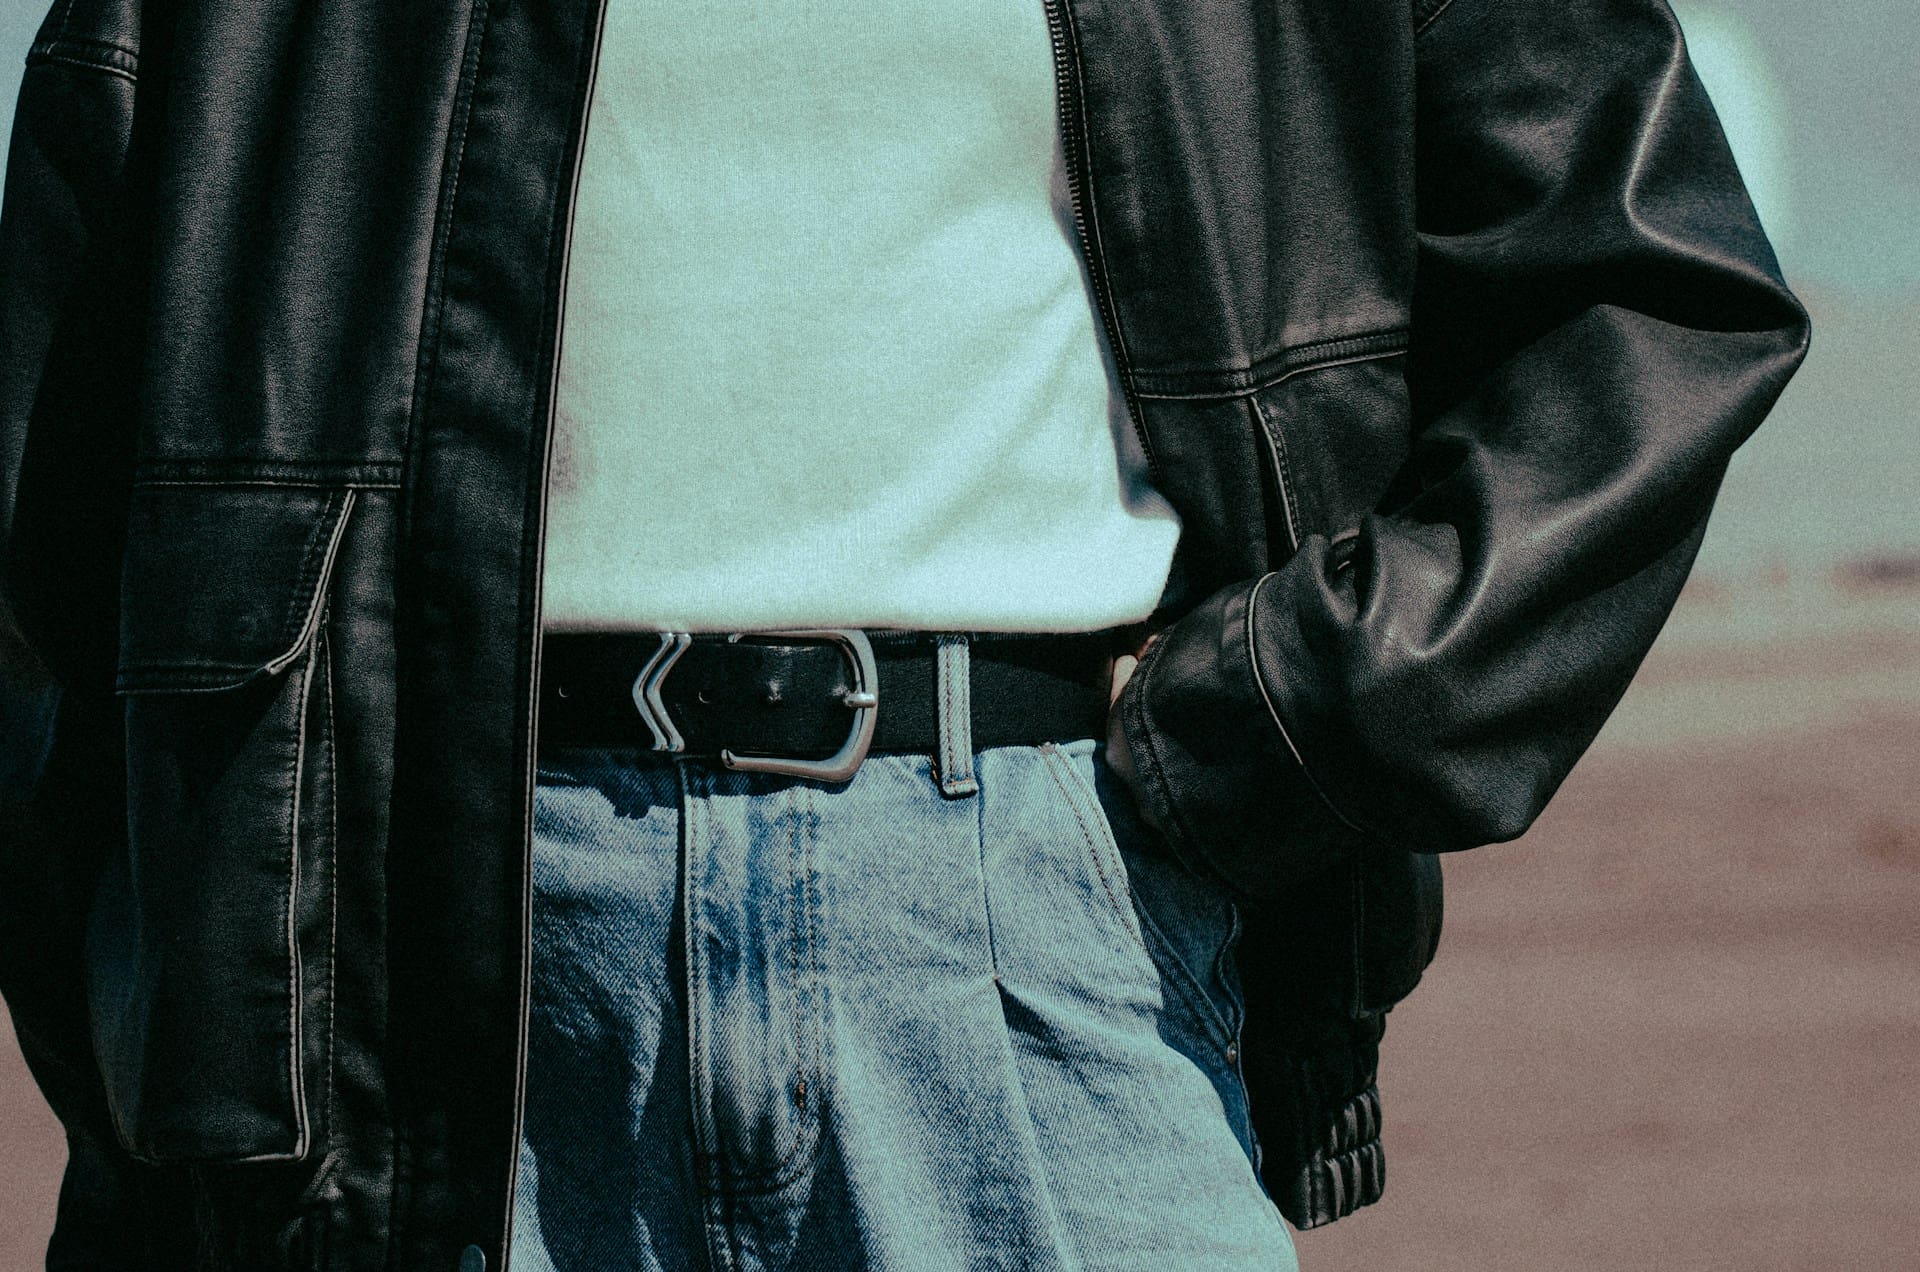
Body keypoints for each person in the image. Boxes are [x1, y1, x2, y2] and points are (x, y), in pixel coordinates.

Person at [0, 0, 1806, 1268]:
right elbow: (49, 529)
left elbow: (1647, 288)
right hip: (421, 954)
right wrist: (190, 1047)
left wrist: (1290, 726)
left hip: (1044, 911)